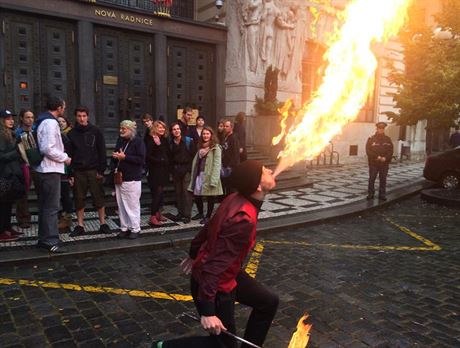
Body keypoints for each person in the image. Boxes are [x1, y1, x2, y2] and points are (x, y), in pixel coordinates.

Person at [152, 160, 279, 348]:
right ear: (257, 186)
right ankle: (162, 346)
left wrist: (194, 252)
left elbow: (208, 228)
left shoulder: (235, 197)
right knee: (223, 345)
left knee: (268, 302)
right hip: (215, 285)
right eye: (264, 171)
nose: (270, 170)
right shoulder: (243, 219)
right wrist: (208, 311)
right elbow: (213, 267)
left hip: (227, 274)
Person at [34, 96, 71, 253]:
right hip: (50, 169)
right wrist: (65, 158)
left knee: (45, 206)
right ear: (59, 108)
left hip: (44, 169)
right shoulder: (50, 122)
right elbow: (47, 148)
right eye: (63, 106)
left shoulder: (43, 121)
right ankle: (50, 240)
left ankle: (44, 238)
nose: (64, 109)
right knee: (51, 206)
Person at [67, 106, 109, 236]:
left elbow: (102, 150)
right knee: (79, 198)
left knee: (98, 197)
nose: (81, 118)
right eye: (79, 116)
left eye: (84, 116)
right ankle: (80, 225)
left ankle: (103, 223)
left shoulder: (96, 131)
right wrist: (70, 173)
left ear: (88, 116)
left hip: (94, 169)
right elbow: (69, 154)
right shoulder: (71, 134)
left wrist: (101, 169)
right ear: (76, 117)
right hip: (78, 171)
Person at [111, 120, 146, 239]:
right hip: (120, 177)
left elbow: (141, 159)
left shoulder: (138, 142)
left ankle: (135, 228)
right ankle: (124, 227)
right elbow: (117, 155)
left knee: (132, 205)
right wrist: (115, 157)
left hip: (132, 178)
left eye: (124, 129)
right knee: (121, 204)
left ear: (130, 130)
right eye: (120, 128)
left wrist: (125, 157)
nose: (121, 131)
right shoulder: (120, 140)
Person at [189, 126, 223, 225]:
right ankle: (200, 213)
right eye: (204, 134)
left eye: (207, 134)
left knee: (210, 197)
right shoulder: (200, 146)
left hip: (209, 175)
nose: (205, 136)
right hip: (199, 174)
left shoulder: (216, 148)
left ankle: (208, 216)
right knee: (197, 195)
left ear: (211, 135)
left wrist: (214, 179)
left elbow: (217, 164)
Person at [0, 109, 25, 242]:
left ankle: (7, 227)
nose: (11, 120)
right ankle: (2, 230)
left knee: (8, 203)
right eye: (8, 118)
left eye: (11, 118)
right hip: (3, 174)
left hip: (11, 173)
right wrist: (17, 152)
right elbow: (2, 156)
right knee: (3, 204)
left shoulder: (11, 134)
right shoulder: (1, 135)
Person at [169, 122, 196, 224]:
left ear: (180, 130)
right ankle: (180, 213)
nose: (176, 131)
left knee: (186, 193)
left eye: (178, 129)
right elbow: (170, 158)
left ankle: (187, 215)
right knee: (178, 193)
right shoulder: (171, 143)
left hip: (186, 169)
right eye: (174, 129)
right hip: (176, 170)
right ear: (172, 131)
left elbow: (194, 156)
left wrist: (190, 169)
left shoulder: (188, 141)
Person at [14, 109, 36, 229]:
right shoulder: (17, 133)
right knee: (22, 193)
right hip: (23, 165)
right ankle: (23, 218)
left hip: (37, 164)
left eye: (32, 117)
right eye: (27, 117)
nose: (30, 120)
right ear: (22, 118)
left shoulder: (36, 130)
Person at [145, 120, 170, 226]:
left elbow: (166, 152)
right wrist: (160, 160)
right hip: (155, 171)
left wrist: (160, 145)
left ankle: (158, 213)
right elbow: (148, 156)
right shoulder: (151, 140)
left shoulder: (163, 139)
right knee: (157, 193)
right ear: (155, 128)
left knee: (161, 193)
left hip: (164, 170)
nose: (162, 129)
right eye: (159, 127)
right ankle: (153, 216)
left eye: (163, 127)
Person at [366, 122, 393, 201]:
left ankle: (382, 194)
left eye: (382, 129)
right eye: (379, 128)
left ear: (384, 129)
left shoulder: (388, 139)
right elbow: (368, 151)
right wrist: (376, 156)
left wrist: (386, 158)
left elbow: (390, 150)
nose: (381, 130)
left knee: (383, 179)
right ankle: (371, 194)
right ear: (377, 129)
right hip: (374, 163)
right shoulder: (371, 139)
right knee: (372, 178)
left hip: (384, 163)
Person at [57, 116, 73, 232]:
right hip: (55, 168)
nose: (61, 123)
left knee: (65, 195)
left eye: (63, 121)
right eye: (59, 122)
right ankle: (58, 216)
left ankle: (67, 217)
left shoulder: (70, 135)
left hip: (66, 169)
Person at [221, 120, 240, 195]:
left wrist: (230, 166)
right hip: (224, 165)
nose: (225, 128)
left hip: (231, 167)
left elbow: (236, 154)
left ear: (231, 127)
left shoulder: (234, 138)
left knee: (230, 188)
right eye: (224, 126)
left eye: (227, 126)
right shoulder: (225, 137)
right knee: (225, 186)